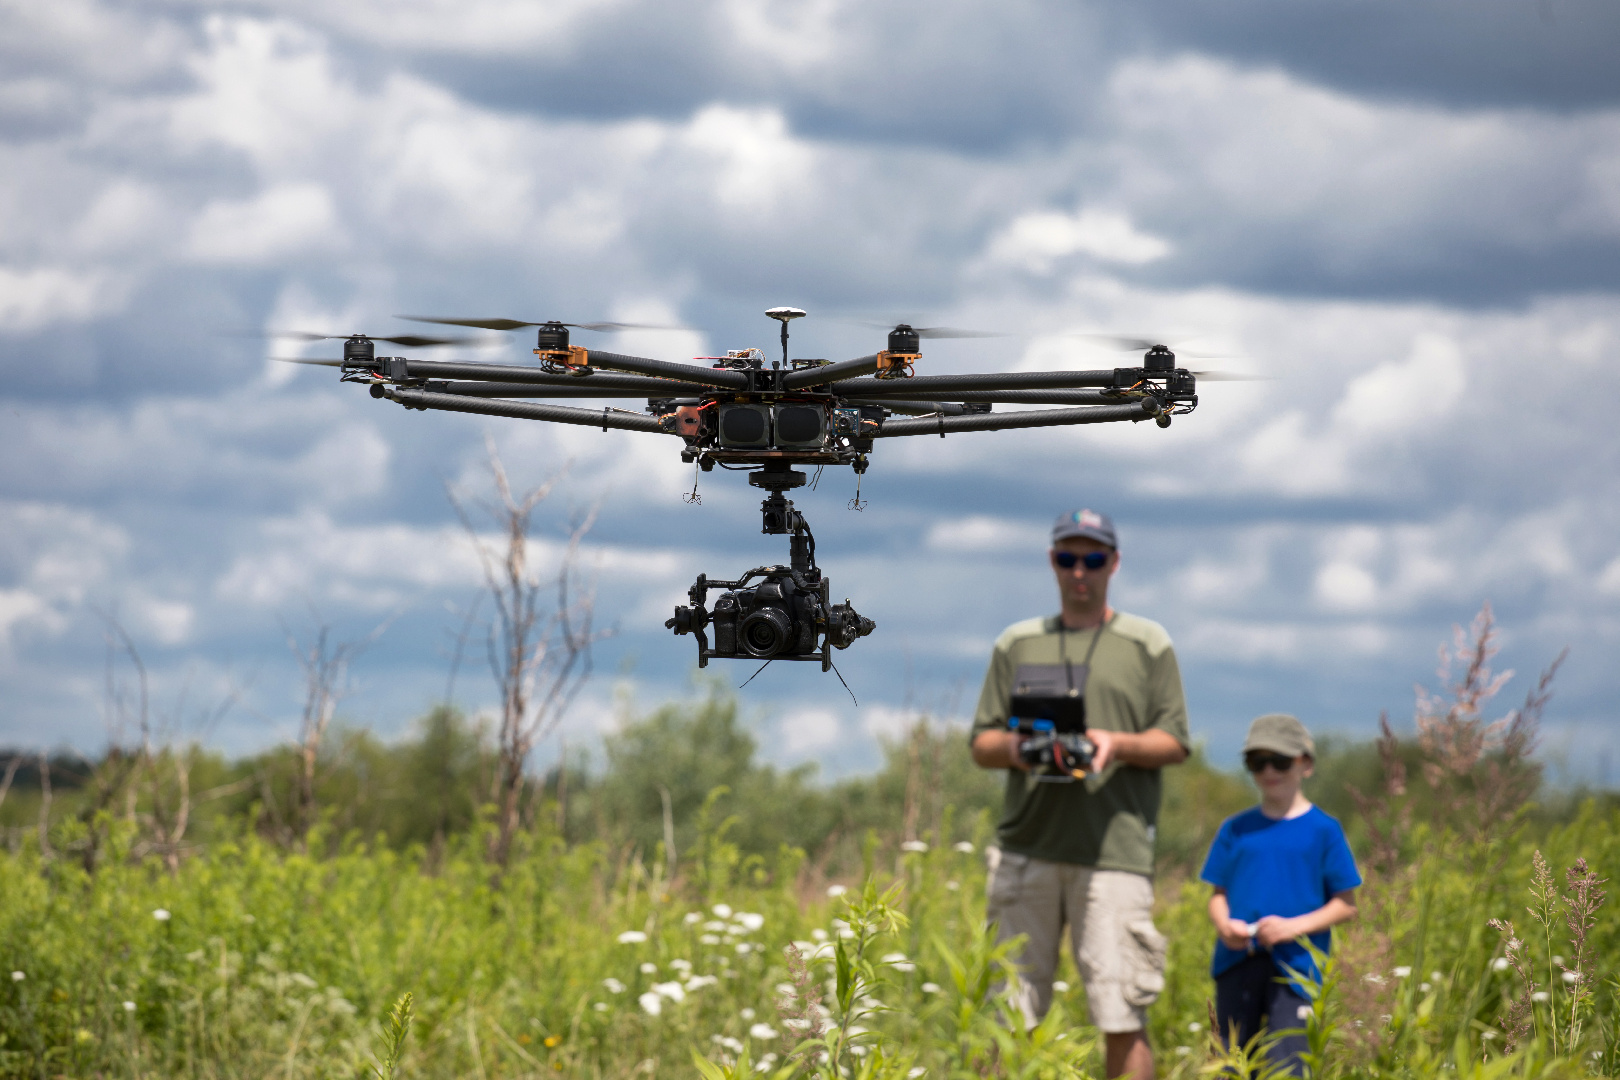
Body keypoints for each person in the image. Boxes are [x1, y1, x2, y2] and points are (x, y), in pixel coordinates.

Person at [970, 509, 1190, 1080]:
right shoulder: (1017, 643)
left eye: (1093, 558)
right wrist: (1023, 750)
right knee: (1008, 1014)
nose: (1080, 571)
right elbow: (982, 741)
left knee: (1121, 1014)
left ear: (1113, 563)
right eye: (1068, 558)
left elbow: (1174, 741)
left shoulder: (1147, 644)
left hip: (1112, 853)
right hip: (1027, 848)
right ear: (1052, 562)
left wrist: (1113, 743)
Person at [1201, 714, 1361, 1076]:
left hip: (1297, 969)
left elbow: (1345, 905)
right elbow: (1217, 894)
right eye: (1258, 763)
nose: (1269, 771)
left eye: (1281, 761)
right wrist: (1224, 925)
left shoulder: (1324, 830)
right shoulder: (1236, 828)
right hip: (1236, 962)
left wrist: (1291, 928)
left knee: (1287, 1065)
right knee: (1231, 1064)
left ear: (1305, 763)